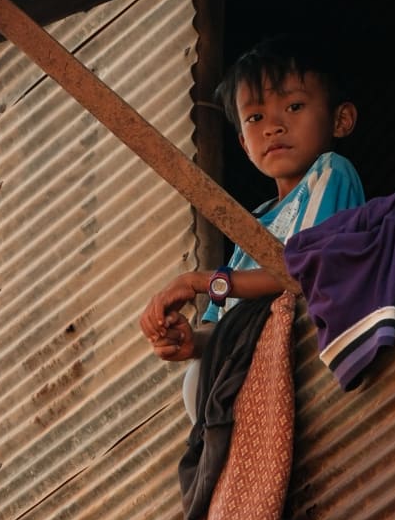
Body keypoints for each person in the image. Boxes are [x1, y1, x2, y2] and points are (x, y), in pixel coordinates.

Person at [139, 34, 365, 376]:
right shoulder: (253, 225)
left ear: (340, 119)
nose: (273, 127)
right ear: (245, 144)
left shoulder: (330, 172)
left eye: (294, 107)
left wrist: (199, 281)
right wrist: (192, 343)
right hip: (249, 383)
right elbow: (222, 325)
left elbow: (304, 271)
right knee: (198, 375)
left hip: (307, 364)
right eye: (255, 118)